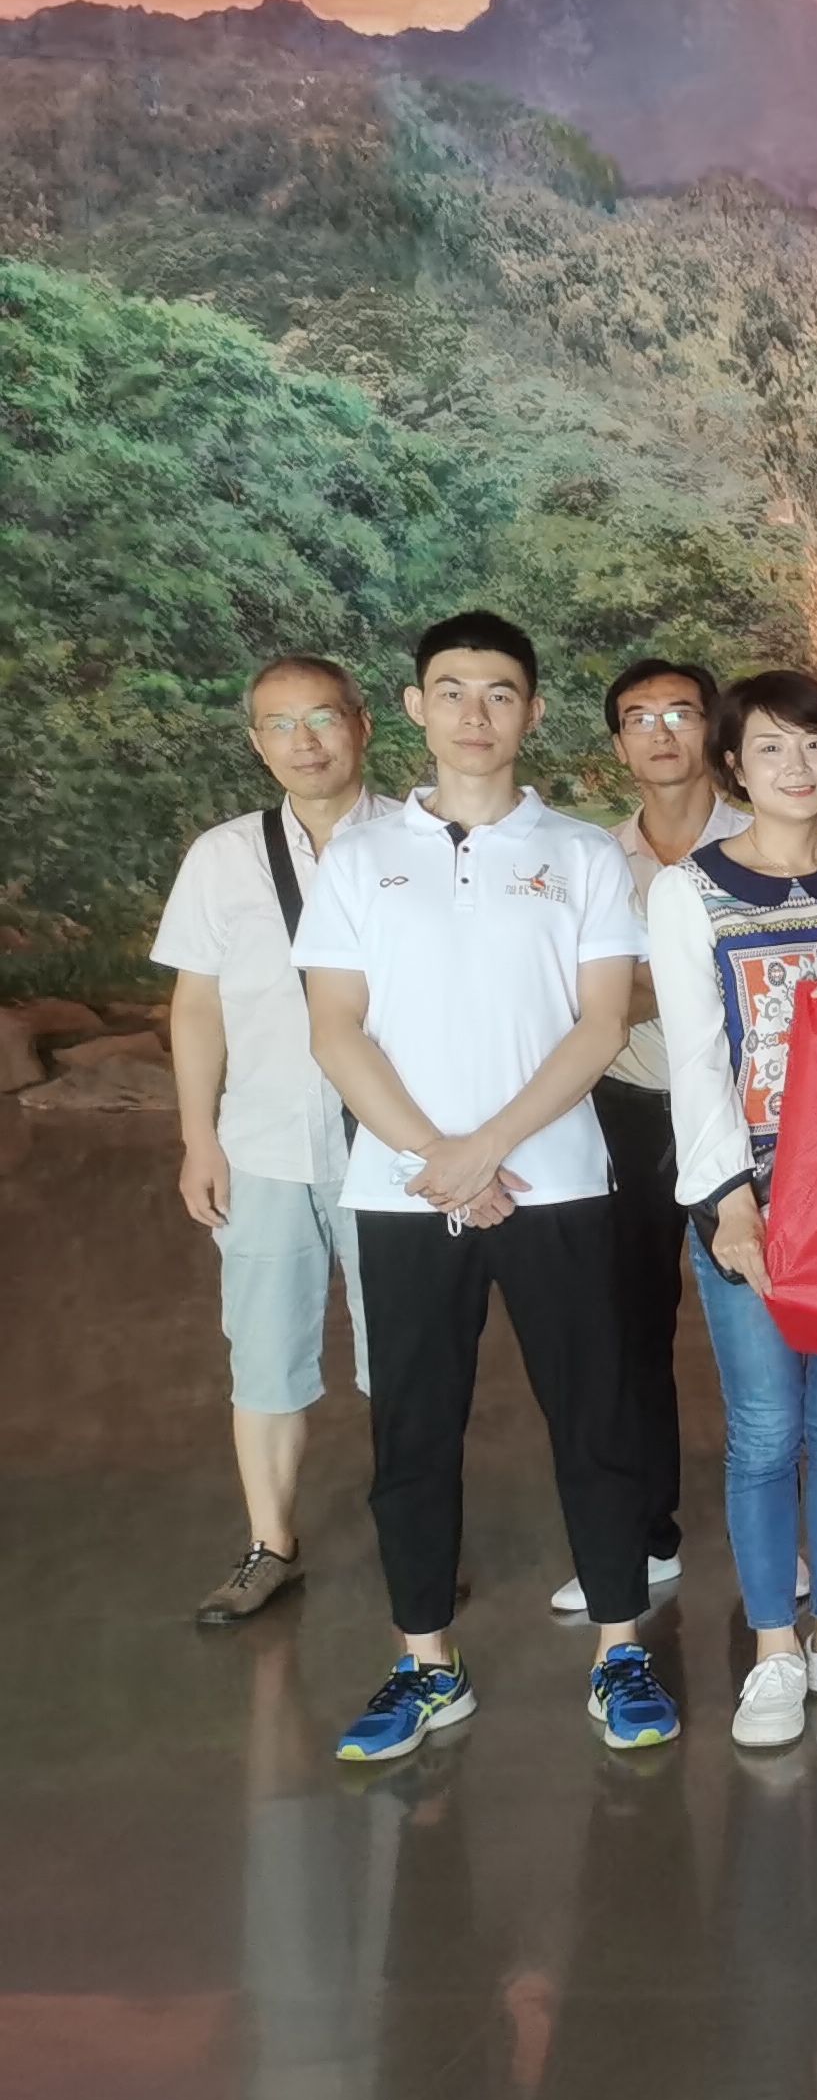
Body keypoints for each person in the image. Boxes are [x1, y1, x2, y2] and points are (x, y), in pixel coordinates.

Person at [293, 612, 674, 1760]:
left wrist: (485, 1149)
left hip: (557, 1185)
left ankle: (620, 1651)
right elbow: (335, 1028)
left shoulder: (585, 855)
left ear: (532, 712)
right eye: (452, 690)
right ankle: (427, 1664)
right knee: (413, 1431)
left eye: (500, 692)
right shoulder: (359, 857)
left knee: (596, 1421)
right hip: (403, 1190)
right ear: (415, 708)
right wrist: (435, 1157)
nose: (475, 713)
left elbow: (600, 1022)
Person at [646, 668, 817, 1748]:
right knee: (765, 1429)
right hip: (750, 1204)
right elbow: (695, 1061)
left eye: (813, 746)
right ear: (733, 766)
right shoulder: (689, 892)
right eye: (769, 748)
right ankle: (773, 1647)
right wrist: (728, 1204)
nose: (796, 766)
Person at [158, 655, 403, 1622]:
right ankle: (271, 1544)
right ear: (257, 743)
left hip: (392, 1147)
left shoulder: (419, 844)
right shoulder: (222, 857)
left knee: (407, 1356)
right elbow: (196, 1008)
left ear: (362, 723)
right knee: (261, 1356)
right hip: (260, 1143)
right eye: (280, 724)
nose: (305, 741)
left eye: (323, 718)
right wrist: (198, 1137)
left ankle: (416, 1539)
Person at [567, 657, 745, 1621]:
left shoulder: (761, 843)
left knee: (761, 1326)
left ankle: (777, 1541)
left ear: (714, 729)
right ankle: (645, 1536)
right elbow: (577, 997)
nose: (662, 732)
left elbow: (627, 993)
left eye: (681, 712)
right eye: (640, 717)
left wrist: (637, 986)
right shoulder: (593, 861)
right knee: (626, 1324)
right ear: (619, 744)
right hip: (629, 1109)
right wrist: (679, 981)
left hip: (745, 1115)